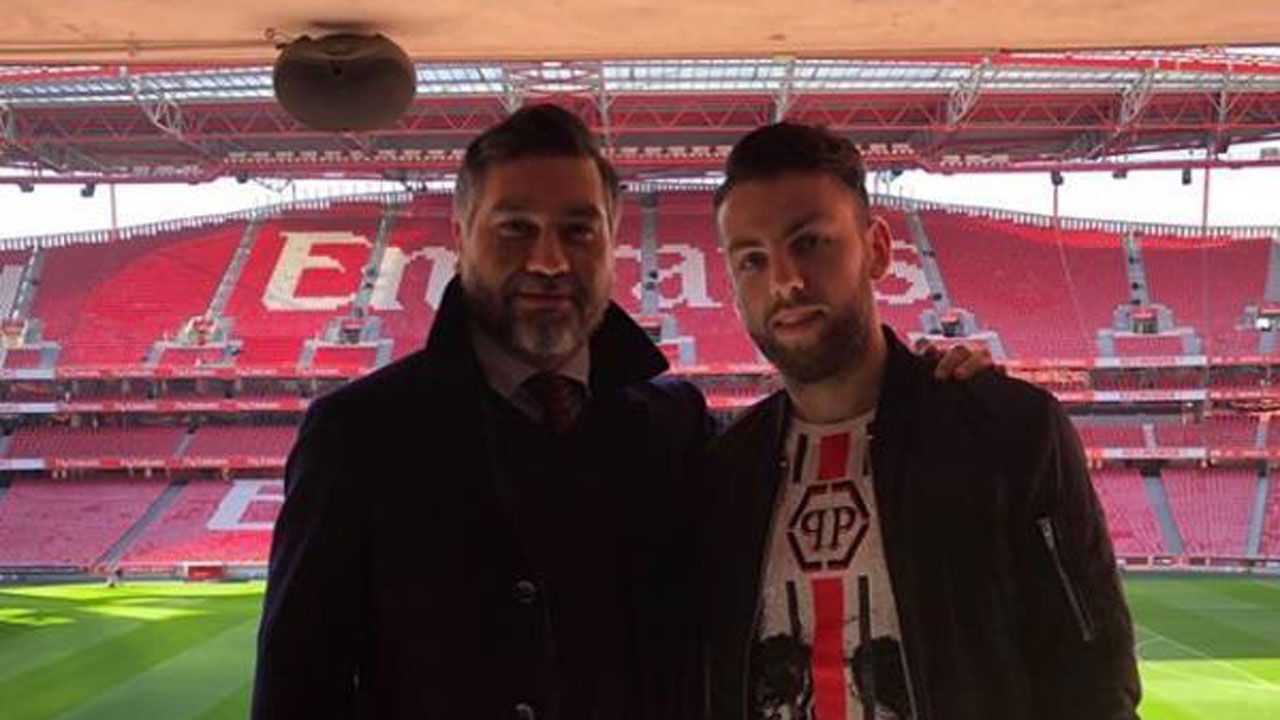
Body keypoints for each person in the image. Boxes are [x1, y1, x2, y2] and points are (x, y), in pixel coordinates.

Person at [252, 104, 994, 720]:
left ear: (613, 245)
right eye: (515, 228)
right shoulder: (360, 436)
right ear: (460, 238)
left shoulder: (674, 424)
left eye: (579, 229)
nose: (549, 260)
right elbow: (296, 688)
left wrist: (927, 384)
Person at [700, 123, 1140, 720]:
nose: (785, 281)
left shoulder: (1008, 434)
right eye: (752, 260)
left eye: (811, 243)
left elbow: (1092, 680)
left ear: (877, 249)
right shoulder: (723, 473)